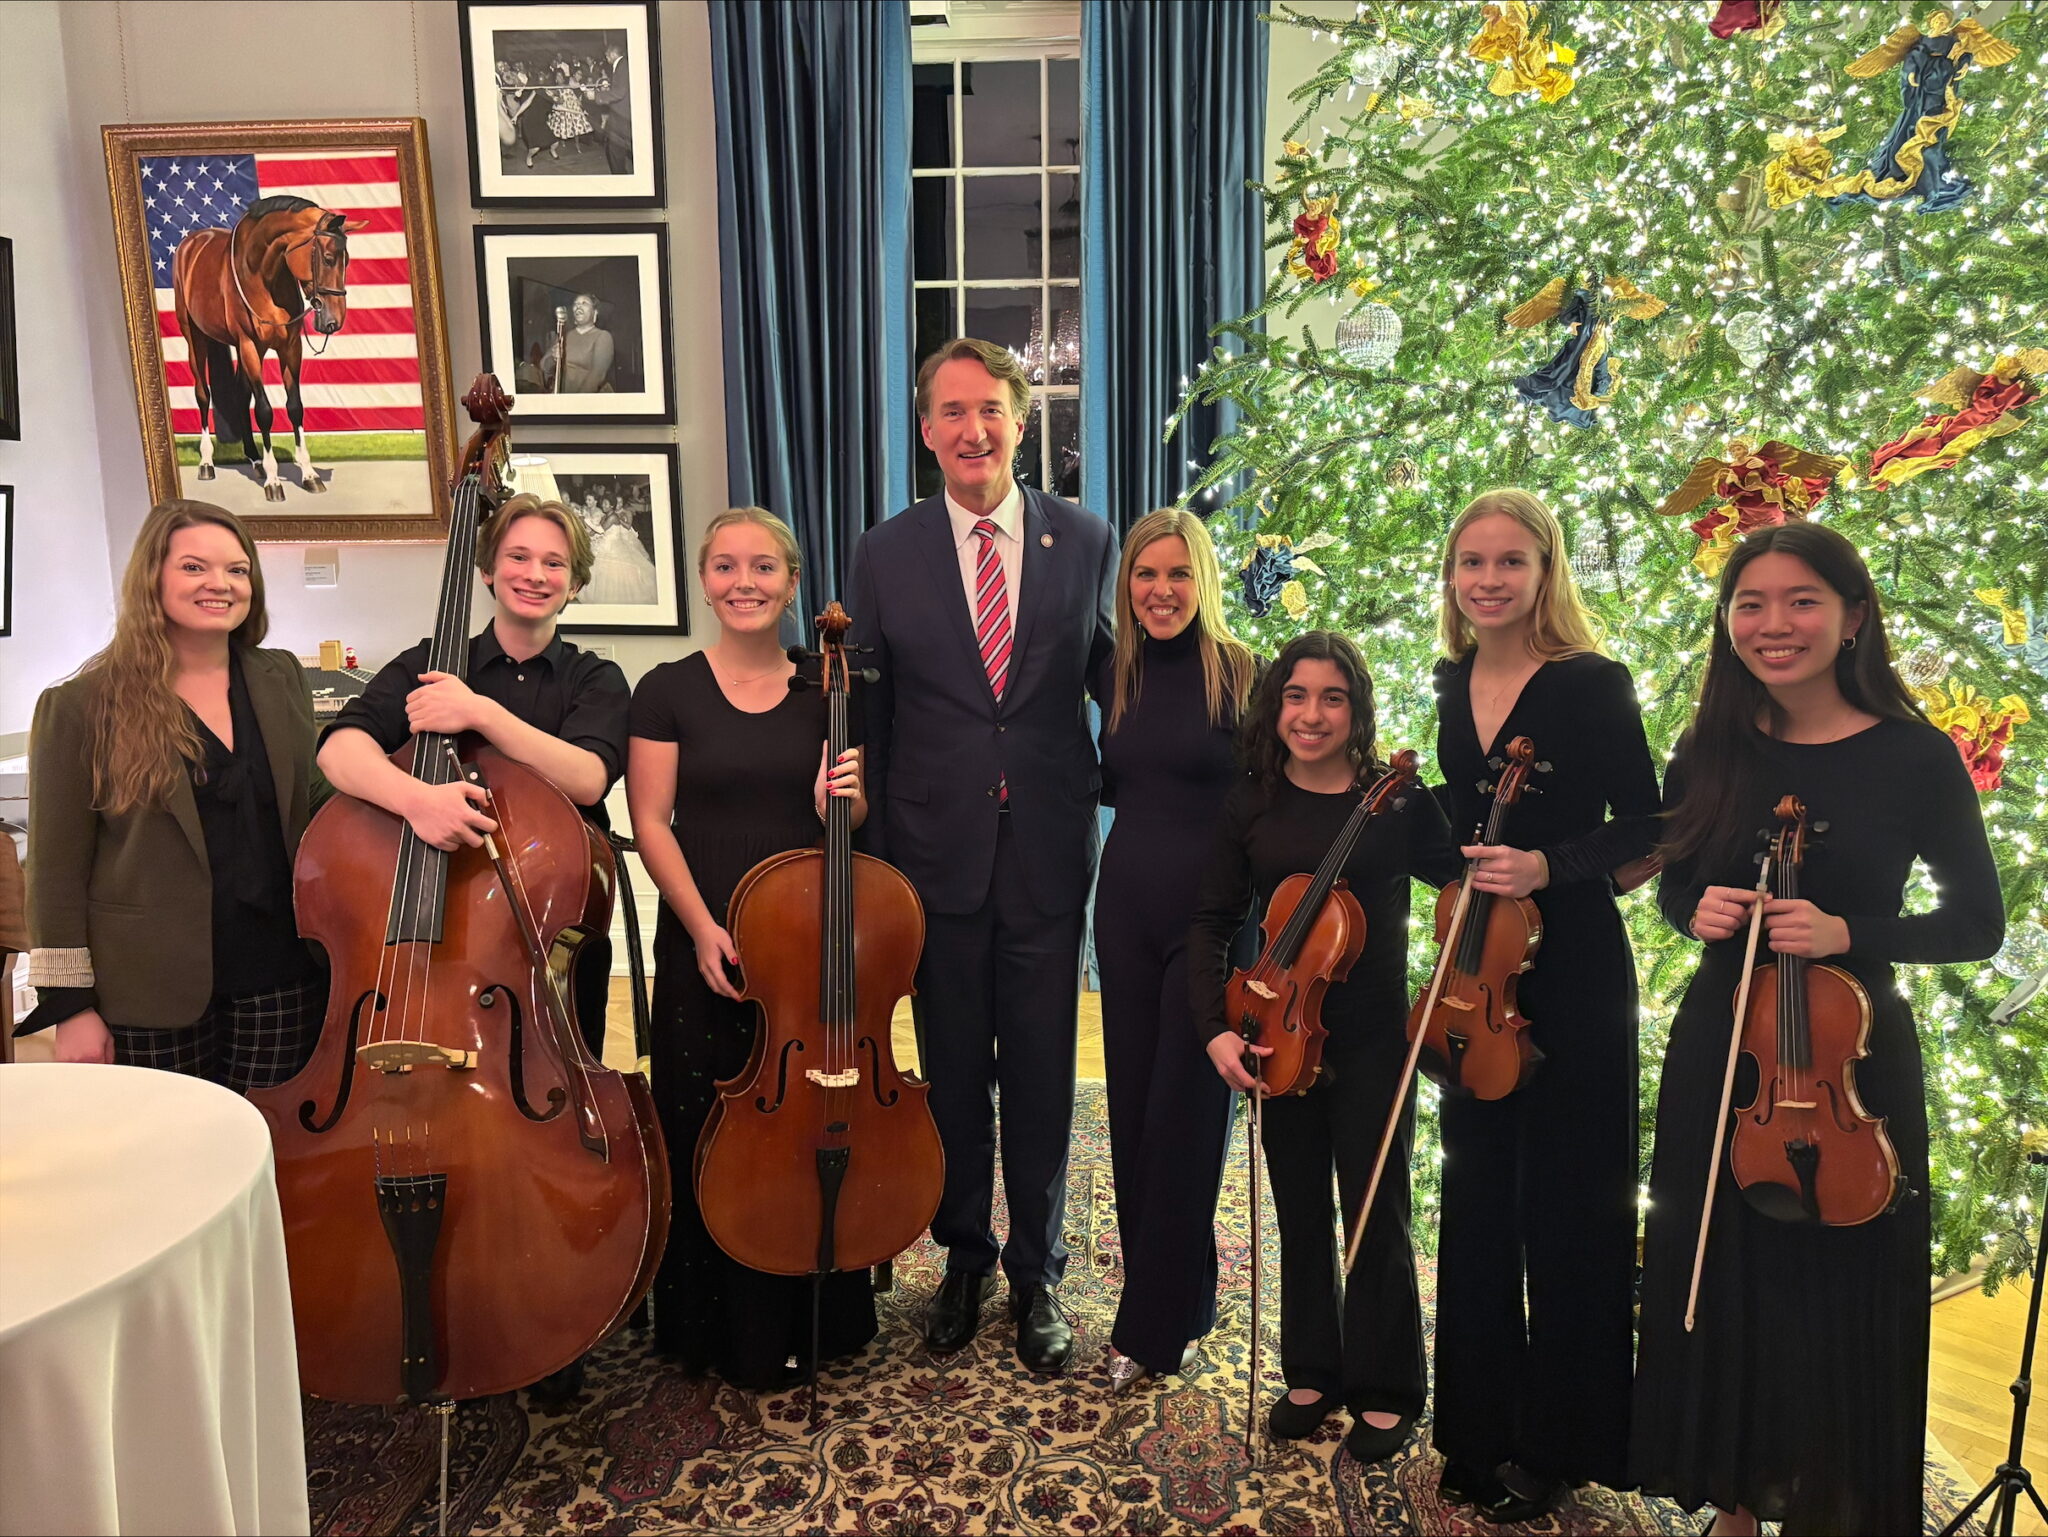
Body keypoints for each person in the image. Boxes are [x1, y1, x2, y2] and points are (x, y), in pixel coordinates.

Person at [1632, 522, 2003, 1535]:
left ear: (1851, 617)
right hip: (1730, 1042)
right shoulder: (1706, 746)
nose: (1771, 624)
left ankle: (1826, 1499)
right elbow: (1675, 886)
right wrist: (1692, 909)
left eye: (1799, 600)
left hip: (1852, 1056)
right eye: (1749, 603)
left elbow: (1976, 922)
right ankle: (1739, 1490)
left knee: (1838, 1281)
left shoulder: (1913, 756)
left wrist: (1850, 929)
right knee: (1729, 1270)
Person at [848, 336, 1117, 1374]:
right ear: (926, 432)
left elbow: (1116, 688)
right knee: (954, 1070)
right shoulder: (885, 551)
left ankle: (1035, 1268)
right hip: (932, 855)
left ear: (1018, 421)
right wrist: (862, 837)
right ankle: (962, 1253)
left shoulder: (1085, 541)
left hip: (1048, 851)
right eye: (951, 412)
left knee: (1044, 1073)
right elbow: (866, 705)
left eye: (990, 410)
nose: (972, 430)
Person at [1425, 489, 1661, 1519]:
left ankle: (1561, 1439)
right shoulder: (1448, 678)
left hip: (1567, 972)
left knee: (1568, 1206)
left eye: (1508, 562)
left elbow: (1648, 825)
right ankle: (1476, 1422)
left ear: (1544, 570)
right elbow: (1460, 812)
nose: (1487, 579)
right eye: (1470, 562)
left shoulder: (1591, 684)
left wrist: (1548, 866)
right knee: (1476, 1194)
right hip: (1477, 972)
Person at [1189, 630, 1460, 1464]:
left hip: (1376, 1034)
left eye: (1332, 697)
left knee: (1377, 1209)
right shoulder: (1252, 801)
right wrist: (1215, 1029)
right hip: (1276, 1027)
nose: (1311, 714)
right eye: (1297, 696)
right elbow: (1211, 920)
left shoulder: (1400, 802)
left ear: (1357, 709)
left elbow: (1462, 895)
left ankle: (1388, 1385)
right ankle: (1312, 1367)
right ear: (1275, 707)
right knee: (1300, 1203)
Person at [626, 506, 873, 1386]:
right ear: (703, 579)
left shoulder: (830, 686)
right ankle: (715, 1326)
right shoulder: (666, 687)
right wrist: (699, 928)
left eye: (764, 567)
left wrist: (835, 800)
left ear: (793, 583)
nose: (744, 582)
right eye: (726, 566)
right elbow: (651, 821)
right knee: (705, 1123)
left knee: (805, 1123)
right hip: (703, 929)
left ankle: (816, 1311)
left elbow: (856, 821)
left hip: (805, 943)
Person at [20, 499, 327, 1089]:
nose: (220, 584)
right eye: (194, 568)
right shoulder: (81, 706)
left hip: (282, 975)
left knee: (269, 1154)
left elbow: (311, 800)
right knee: (168, 1164)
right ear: (151, 576)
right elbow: (55, 874)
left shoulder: (281, 676)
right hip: (147, 988)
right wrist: (69, 1007)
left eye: (237, 570)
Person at [317, 493, 628, 1062]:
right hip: (431, 916)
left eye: (554, 563)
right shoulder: (429, 661)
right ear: (486, 570)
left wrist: (481, 712)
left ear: (575, 584)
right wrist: (416, 800)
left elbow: (587, 779)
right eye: (517, 557)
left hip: (553, 930)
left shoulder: (595, 678)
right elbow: (339, 750)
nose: (535, 574)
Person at [1091, 508, 1259, 1392]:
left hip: (1217, 926)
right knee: (1133, 1120)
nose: (1160, 591)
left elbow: (1277, 804)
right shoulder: (1114, 671)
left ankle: (1149, 1330)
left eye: (1177, 575)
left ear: (1204, 581)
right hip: (1123, 911)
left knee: (1187, 1125)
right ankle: (1184, 1300)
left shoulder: (1244, 675)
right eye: (1144, 576)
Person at [583, 497, 659, 607]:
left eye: (606, 503)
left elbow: (600, 530)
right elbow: (597, 531)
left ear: (611, 506)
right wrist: (587, 534)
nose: (603, 505)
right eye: (603, 503)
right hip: (605, 542)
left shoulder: (613, 517)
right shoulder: (605, 516)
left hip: (613, 546)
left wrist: (587, 521)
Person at [540, 293, 616, 394]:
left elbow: (597, 375)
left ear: (595, 312)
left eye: (584, 303)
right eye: (576, 304)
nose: (578, 306)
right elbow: (544, 366)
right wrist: (554, 358)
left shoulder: (602, 336)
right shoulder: (564, 336)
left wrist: (577, 401)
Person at [591, 37, 633, 176]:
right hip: (621, 115)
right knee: (618, 150)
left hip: (622, 116)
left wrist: (597, 96)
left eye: (607, 54)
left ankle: (621, 180)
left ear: (614, 54)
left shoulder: (622, 66)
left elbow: (620, 92)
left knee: (615, 150)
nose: (605, 57)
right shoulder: (622, 65)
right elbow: (622, 88)